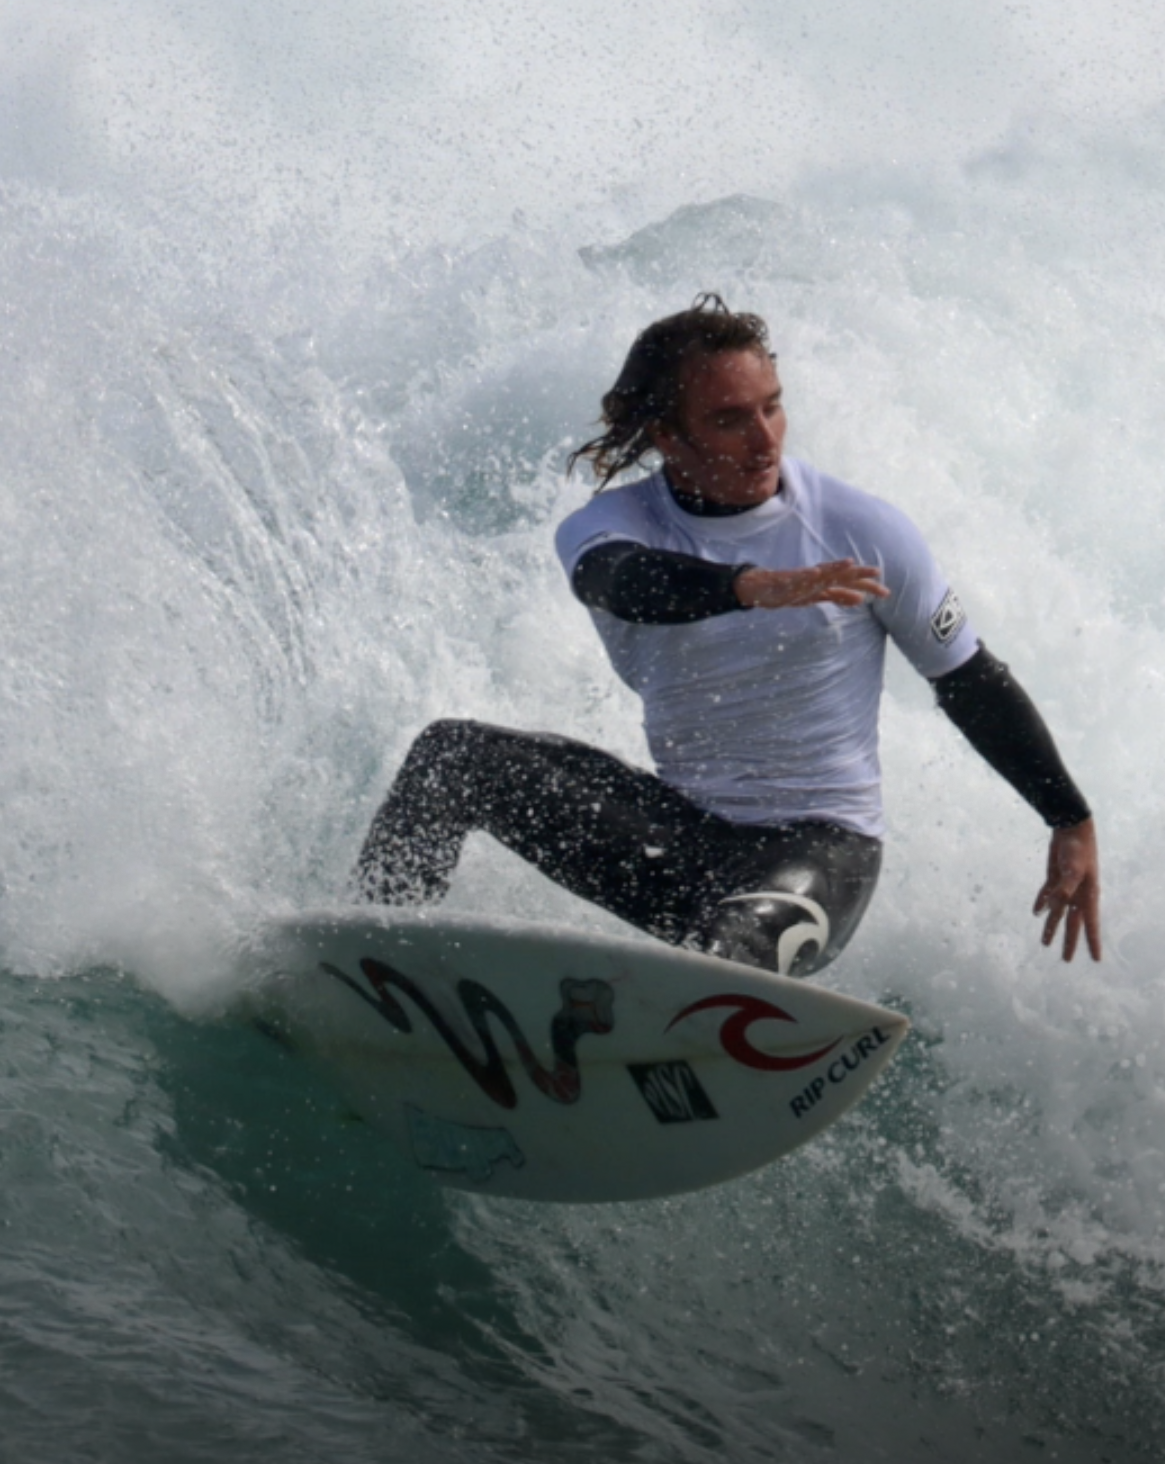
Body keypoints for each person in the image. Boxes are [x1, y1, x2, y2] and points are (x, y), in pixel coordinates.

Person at [351, 294, 1101, 975]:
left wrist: (1069, 817)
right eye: (730, 420)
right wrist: (744, 587)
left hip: (819, 851)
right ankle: (364, 968)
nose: (764, 440)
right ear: (666, 436)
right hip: (679, 837)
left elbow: (967, 678)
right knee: (453, 756)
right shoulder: (611, 526)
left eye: (773, 408)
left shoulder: (859, 530)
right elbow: (619, 582)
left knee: (729, 949)